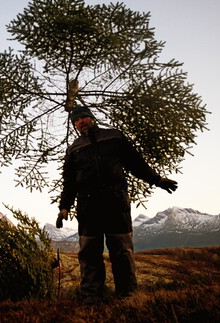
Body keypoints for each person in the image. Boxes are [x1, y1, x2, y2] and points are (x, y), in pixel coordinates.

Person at [56, 106, 177, 303]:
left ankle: (128, 297)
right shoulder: (74, 149)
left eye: (84, 117)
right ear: (75, 125)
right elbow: (69, 182)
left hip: (115, 202)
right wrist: (64, 207)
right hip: (88, 206)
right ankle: (91, 298)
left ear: (92, 118)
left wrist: (156, 180)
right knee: (89, 253)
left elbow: (135, 163)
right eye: (76, 120)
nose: (80, 122)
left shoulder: (114, 137)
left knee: (121, 251)